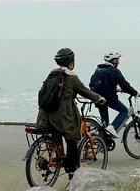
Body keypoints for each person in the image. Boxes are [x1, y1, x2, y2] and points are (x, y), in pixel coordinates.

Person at [36, 48, 105, 177]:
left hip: (45, 115)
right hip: (63, 115)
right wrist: (99, 98)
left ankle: (54, 155)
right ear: (71, 62)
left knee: (56, 134)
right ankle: (71, 171)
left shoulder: (52, 74)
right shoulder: (71, 77)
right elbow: (85, 91)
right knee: (72, 139)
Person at [89, 52, 140, 145]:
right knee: (124, 111)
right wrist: (136, 93)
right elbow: (125, 84)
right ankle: (113, 127)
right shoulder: (114, 71)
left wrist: (115, 89)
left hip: (98, 98)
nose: (118, 62)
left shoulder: (98, 69)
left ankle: (102, 142)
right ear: (114, 61)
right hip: (109, 98)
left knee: (104, 123)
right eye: (117, 60)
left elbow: (101, 84)